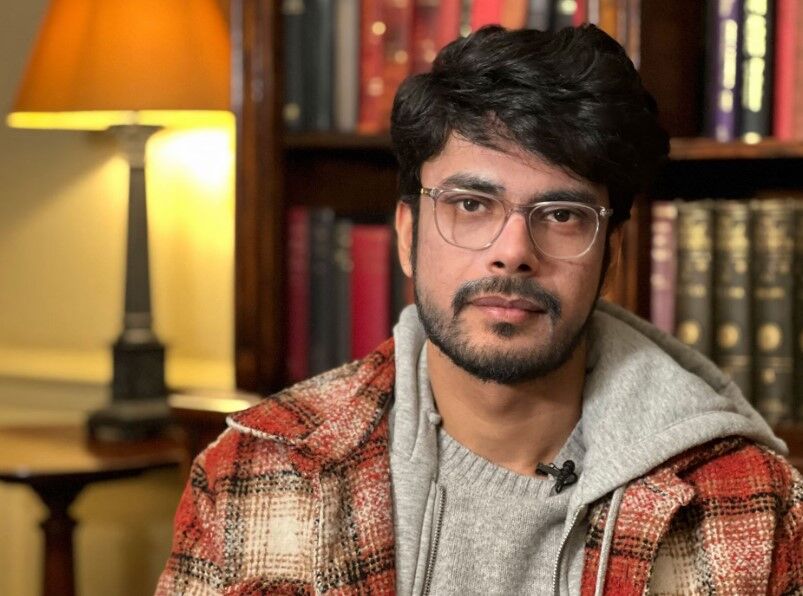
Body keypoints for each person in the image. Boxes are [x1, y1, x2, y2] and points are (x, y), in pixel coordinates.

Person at [157, 25, 802, 595]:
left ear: (611, 259)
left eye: (562, 215)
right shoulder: (257, 472)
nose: (513, 253)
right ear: (408, 237)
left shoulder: (748, 504)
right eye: (471, 204)